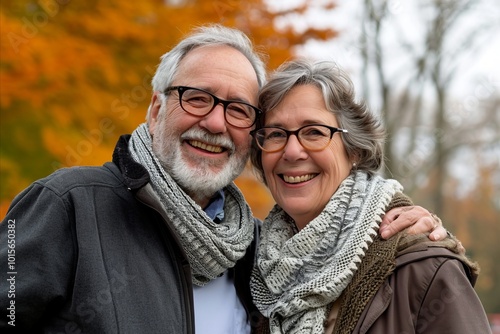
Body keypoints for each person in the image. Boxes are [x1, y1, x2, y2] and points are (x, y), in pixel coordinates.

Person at [0, 25, 447, 333]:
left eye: (237, 109)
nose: (215, 123)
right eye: (197, 98)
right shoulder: (67, 206)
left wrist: (407, 232)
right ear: (156, 109)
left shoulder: (258, 255)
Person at [249, 59, 491, 333]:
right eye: (276, 134)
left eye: (314, 132)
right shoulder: (255, 270)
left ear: (353, 151)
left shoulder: (424, 268)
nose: (292, 152)